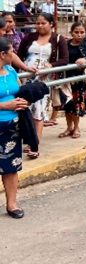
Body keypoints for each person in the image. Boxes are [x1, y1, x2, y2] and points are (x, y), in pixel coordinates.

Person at [18, 12, 68, 153]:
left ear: (51, 24)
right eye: (38, 23)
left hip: (43, 79)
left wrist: (51, 65)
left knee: (38, 110)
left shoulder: (58, 39)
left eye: (43, 23)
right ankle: (26, 139)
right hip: (26, 76)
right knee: (24, 107)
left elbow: (65, 59)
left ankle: (35, 143)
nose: (39, 26)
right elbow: (18, 55)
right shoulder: (29, 38)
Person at [0, 37, 29, 219]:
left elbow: (19, 91)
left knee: (11, 166)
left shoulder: (11, 71)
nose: (14, 54)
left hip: (12, 126)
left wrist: (23, 101)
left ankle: (12, 204)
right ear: (2, 54)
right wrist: (4, 106)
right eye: (11, 51)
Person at [60, 22, 86, 139]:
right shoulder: (66, 44)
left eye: (82, 32)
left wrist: (84, 59)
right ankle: (69, 127)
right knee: (67, 104)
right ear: (71, 33)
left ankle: (76, 127)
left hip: (78, 79)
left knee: (76, 105)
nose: (79, 35)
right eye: (76, 32)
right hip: (66, 78)